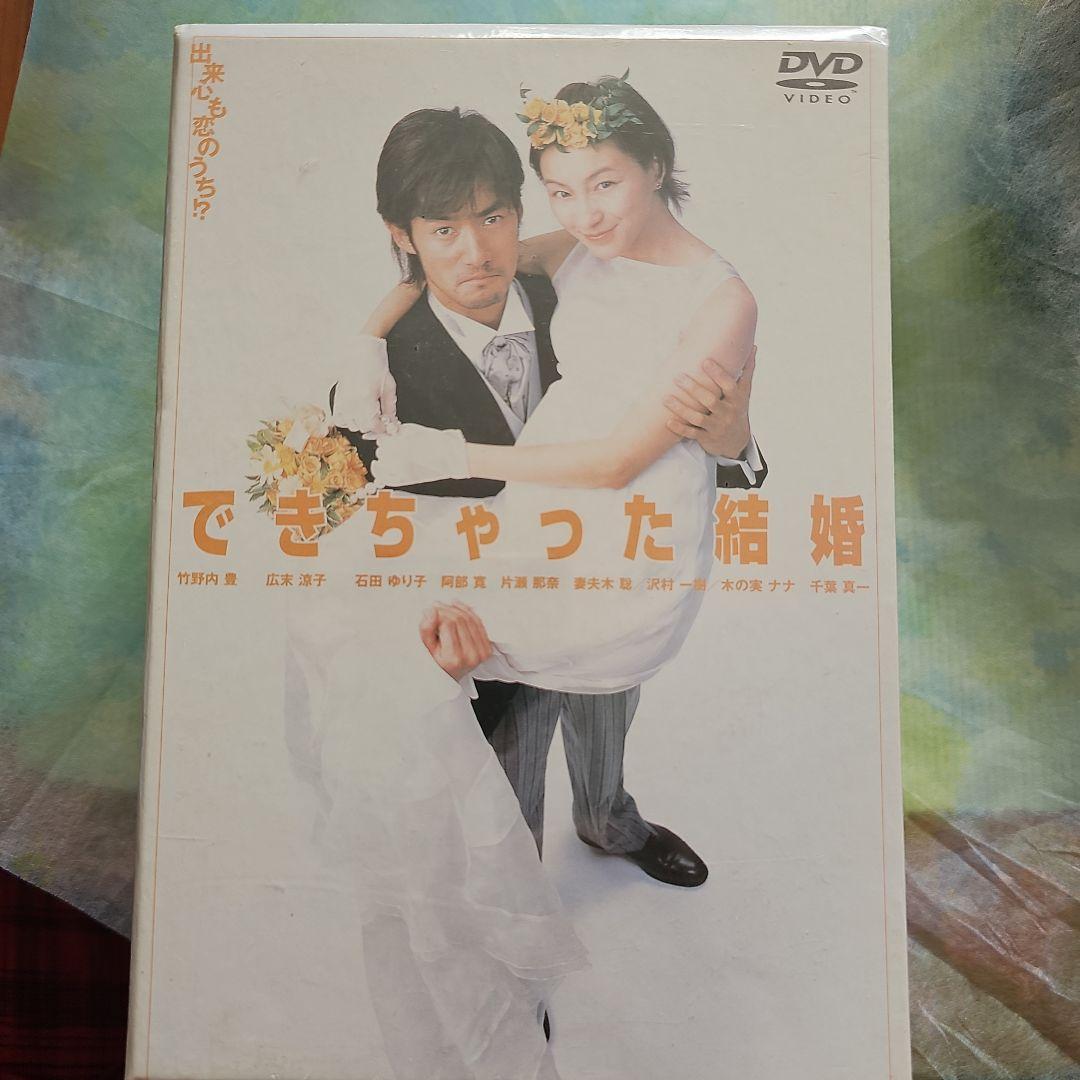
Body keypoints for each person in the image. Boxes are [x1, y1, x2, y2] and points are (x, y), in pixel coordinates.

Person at [291, 74, 762, 1080]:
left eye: (497, 216)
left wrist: (737, 440)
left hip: (618, 558)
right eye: (445, 230)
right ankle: (518, 960)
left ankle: (610, 821)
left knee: (608, 710)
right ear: (404, 236)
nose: (479, 251)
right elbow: (353, 532)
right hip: (484, 599)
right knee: (502, 805)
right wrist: (366, 340)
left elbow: (658, 444)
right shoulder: (374, 380)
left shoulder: (568, 269)